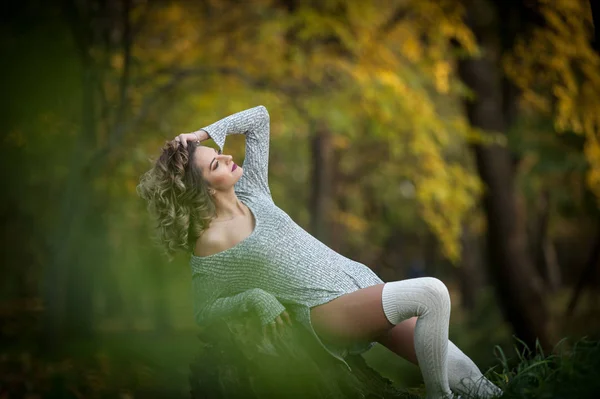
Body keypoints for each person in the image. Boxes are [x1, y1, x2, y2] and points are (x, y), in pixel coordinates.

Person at [137, 105, 502, 399]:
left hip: (357, 285)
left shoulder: (254, 192)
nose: (228, 155)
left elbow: (259, 117)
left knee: (474, 381)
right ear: (204, 190)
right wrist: (254, 297)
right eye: (215, 163)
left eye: (219, 152)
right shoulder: (212, 239)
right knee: (432, 293)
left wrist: (199, 135)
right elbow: (204, 310)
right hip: (325, 311)